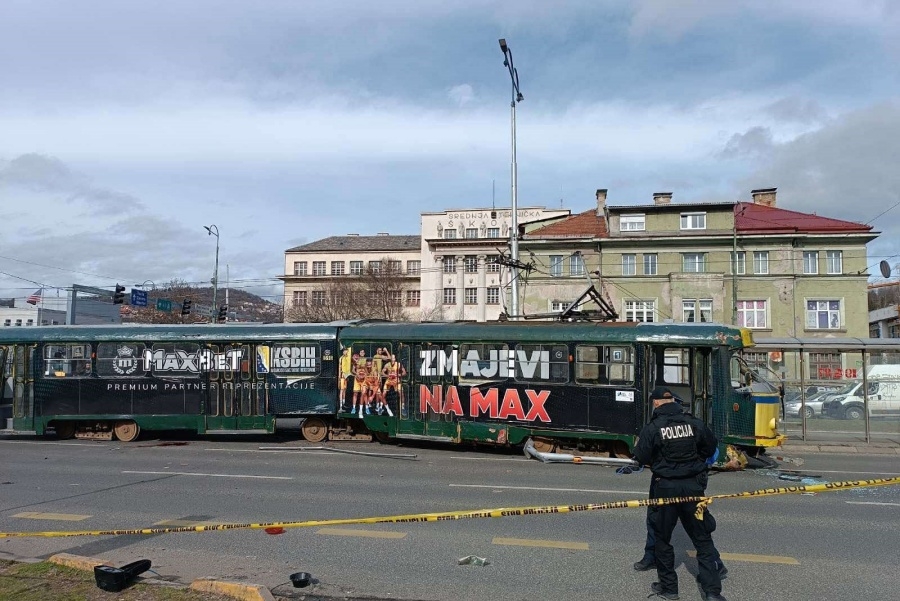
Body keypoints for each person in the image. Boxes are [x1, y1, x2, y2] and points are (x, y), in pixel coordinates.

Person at [633, 386, 727, 601]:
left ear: (656, 403)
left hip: (665, 488)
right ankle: (712, 592)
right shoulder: (695, 423)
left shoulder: (653, 427)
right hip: (694, 487)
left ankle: (669, 589)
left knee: (662, 539)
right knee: (702, 539)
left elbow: (641, 456)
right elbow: (710, 449)